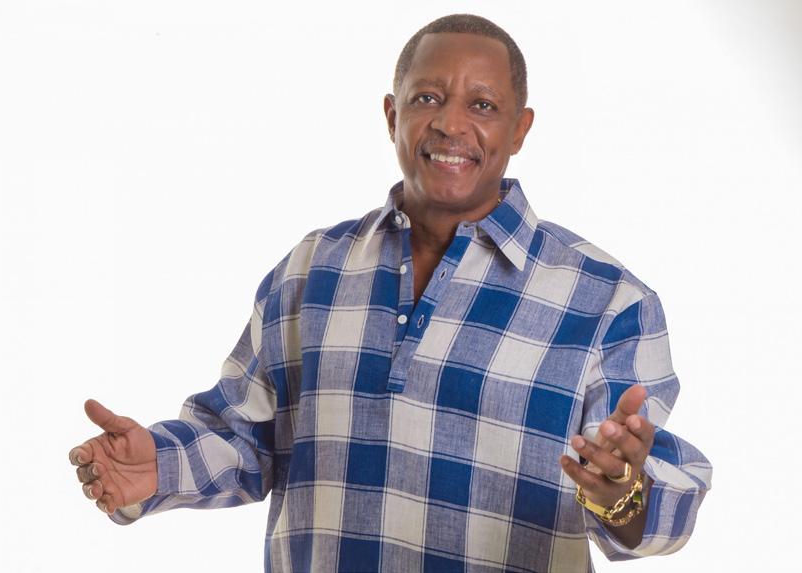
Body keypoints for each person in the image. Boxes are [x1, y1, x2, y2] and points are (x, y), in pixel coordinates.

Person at [69, 13, 712, 573]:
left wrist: (622, 496)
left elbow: (654, 502)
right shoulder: (312, 268)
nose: (451, 124)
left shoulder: (608, 302)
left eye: (483, 106)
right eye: (428, 97)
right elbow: (247, 437)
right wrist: (157, 465)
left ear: (520, 130)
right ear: (391, 114)